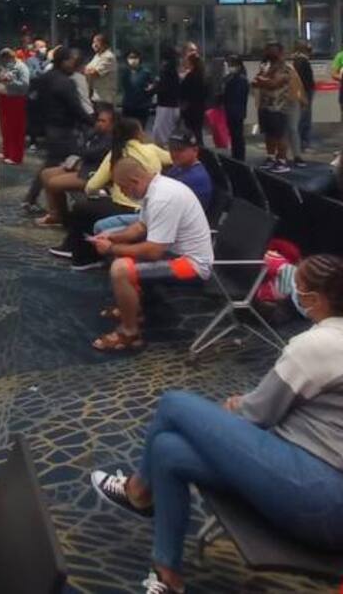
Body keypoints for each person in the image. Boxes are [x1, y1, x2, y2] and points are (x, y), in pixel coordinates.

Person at [89, 255, 343, 594]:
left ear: (314, 300)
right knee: (168, 450)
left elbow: (257, 415)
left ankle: (137, 491)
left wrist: (238, 406)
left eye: (297, 289)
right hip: (306, 482)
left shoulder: (317, 345)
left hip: (318, 492)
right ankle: (167, 576)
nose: (293, 294)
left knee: (174, 405)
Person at [86, 156, 213, 353]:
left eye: (124, 188)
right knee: (123, 254)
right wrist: (112, 237)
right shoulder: (153, 189)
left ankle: (130, 332)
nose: (124, 194)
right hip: (173, 253)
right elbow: (140, 227)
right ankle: (133, 311)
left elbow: (154, 252)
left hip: (191, 265)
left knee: (121, 270)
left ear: (135, 181)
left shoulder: (163, 197)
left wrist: (111, 249)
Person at [54, 116, 172, 269]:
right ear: (138, 133)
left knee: (82, 208)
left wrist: (110, 186)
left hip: (126, 206)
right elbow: (171, 159)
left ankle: (82, 256)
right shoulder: (152, 150)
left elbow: (91, 186)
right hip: (144, 205)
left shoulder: (114, 154)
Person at [29, 46, 94, 207]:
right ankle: (78, 201)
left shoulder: (45, 78)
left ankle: (33, 197)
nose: (74, 64)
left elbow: (33, 101)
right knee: (76, 161)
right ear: (63, 61)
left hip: (50, 126)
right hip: (64, 129)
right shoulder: (65, 83)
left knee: (51, 162)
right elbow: (75, 108)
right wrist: (93, 123)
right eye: (71, 61)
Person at [37, 103, 114, 227]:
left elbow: (89, 152)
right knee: (46, 174)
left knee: (54, 183)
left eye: (102, 121)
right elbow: (83, 149)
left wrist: (80, 158)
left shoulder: (111, 138)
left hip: (93, 173)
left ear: (112, 123)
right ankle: (55, 214)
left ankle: (62, 216)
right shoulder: (97, 133)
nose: (98, 123)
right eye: (98, 120)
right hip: (85, 167)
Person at [252, 41, 294, 173]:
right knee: (268, 133)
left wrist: (263, 81)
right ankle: (270, 157)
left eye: (272, 50)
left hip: (279, 107)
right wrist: (263, 81)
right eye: (268, 50)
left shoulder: (286, 67)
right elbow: (254, 82)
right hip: (264, 106)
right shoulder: (265, 66)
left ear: (280, 52)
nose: (269, 52)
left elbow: (274, 84)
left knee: (280, 134)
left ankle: (282, 160)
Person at [0, 47, 30, 165]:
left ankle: (16, 156)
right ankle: (7, 152)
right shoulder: (7, 67)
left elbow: (25, 85)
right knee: (6, 128)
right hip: (5, 99)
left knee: (16, 128)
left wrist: (10, 82)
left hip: (16, 100)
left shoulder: (22, 68)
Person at [287, 42, 313, 167]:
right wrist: (304, 96)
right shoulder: (301, 62)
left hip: (301, 93)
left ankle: (300, 145)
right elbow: (302, 81)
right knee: (303, 119)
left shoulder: (295, 62)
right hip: (304, 93)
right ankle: (302, 144)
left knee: (299, 121)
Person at [222, 55, 250, 161]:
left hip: (236, 110)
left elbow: (236, 95)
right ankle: (236, 155)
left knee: (237, 135)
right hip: (232, 110)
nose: (229, 67)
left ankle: (239, 157)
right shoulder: (232, 78)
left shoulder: (241, 79)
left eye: (231, 65)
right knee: (234, 135)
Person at [151, 49, 181, 147]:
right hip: (173, 105)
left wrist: (155, 87)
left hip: (165, 106)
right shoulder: (174, 72)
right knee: (168, 132)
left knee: (161, 135)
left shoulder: (166, 72)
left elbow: (163, 88)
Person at [178, 51, 208, 147]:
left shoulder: (190, 76)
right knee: (198, 132)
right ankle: (202, 152)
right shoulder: (203, 75)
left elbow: (183, 91)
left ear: (191, 63)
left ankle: (194, 153)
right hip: (200, 107)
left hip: (190, 109)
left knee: (190, 134)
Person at [120, 50, 153, 127]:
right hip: (128, 107)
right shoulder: (125, 73)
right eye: (130, 58)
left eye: (135, 57)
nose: (133, 60)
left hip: (141, 108)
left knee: (140, 130)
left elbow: (151, 87)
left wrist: (150, 89)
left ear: (139, 59)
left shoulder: (146, 73)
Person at [84, 34, 118, 106]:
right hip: (95, 97)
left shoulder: (108, 57)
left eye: (98, 42)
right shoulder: (97, 56)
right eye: (93, 42)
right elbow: (87, 69)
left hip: (104, 99)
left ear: (105, 44)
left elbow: (94, 73)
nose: (94, 45)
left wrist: (83, 70)